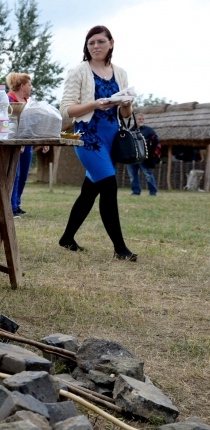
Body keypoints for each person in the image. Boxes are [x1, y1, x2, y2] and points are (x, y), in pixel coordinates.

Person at [59, 25, 137, 261]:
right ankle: (120, 249)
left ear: (111, 43)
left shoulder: (120, 72)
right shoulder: (78, 71)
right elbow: (66, 110)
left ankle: (67, 238)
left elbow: (125, 115)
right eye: (91, 42)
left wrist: (126, 103)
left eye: (101, 42)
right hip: (87, 136)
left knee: (89, 191)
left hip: (112, 136)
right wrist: (94, 104)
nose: (95, 46)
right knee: (109, 186)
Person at [6, 72, 41, 218]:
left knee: (23, 174)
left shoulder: (29, 101)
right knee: (15, 174)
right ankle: (10, 207)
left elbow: (34, 122)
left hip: (27, 142)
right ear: (22, 86)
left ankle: (17, 204)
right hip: (13, 143)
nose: (31, 87)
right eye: (29, 84)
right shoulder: (8, 99)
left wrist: (41, 140)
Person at [126, 113, 159, 196]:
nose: (141, 120)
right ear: (136, 120)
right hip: (132, 157)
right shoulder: (131, 130)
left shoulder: (149, 130)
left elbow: (156, 140)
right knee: (133, 175)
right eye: (139, 119)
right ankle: (136, 191)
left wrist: (150, 152)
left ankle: (153, 192)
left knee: (147, 174)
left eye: (142, 119)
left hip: (143, 156)